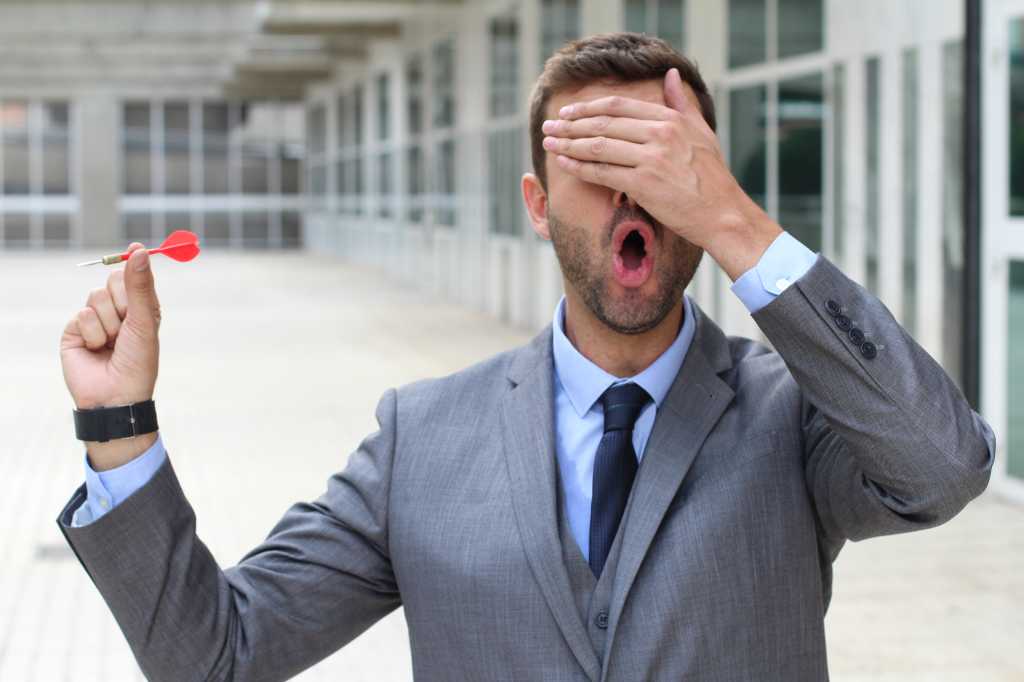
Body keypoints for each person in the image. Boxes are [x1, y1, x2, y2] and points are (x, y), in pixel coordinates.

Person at [57, 33, 995, 681]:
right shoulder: (421, 438)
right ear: (538, 204)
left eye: (660, 168)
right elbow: (214, 655)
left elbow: (944, 469)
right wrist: (117, 427)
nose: (632, 200)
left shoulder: (794, 417)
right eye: (598, 165)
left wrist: (739, 224)